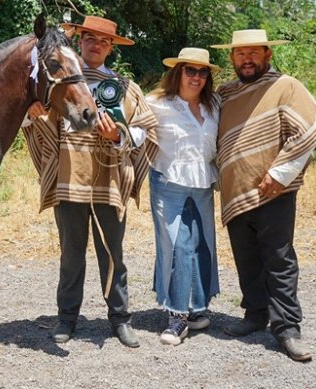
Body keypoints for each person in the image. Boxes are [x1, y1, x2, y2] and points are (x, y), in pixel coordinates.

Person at [23, 15, 158, 348]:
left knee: (113, 253)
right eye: (90, 39)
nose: (96, 45)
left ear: (111, 48)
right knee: (71, 255)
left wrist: (119, 136)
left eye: (103, 41)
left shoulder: (126, 87)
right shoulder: (62, 81)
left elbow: (147, 131)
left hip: (109, 182)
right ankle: (67, 319)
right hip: (70, 180)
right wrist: (35, 115)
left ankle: (121, 319)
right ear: (80, 42)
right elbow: (37, 122)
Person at [210, 29, 316, 361]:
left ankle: (288, 328)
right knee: (247, 260)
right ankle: (256, 315)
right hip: (235, 192)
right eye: (240, 54)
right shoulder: (226, 93)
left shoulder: (285, 87)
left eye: (253, 53)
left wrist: (280, 174)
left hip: (274, 190)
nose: (246, 59)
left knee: (279, 260)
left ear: (267, 55)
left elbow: (310, 129)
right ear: (232, 58)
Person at [145, 48, 221, 346]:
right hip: (168, 182)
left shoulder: (214, 103)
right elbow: (133, 131)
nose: (197, 77)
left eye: (203, 72)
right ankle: (177, 317)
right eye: (191, 70)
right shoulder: (156, 103)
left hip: (203, 183)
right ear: (178, 72)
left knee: (202, 244)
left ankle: (197, 310)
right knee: (177, 245)